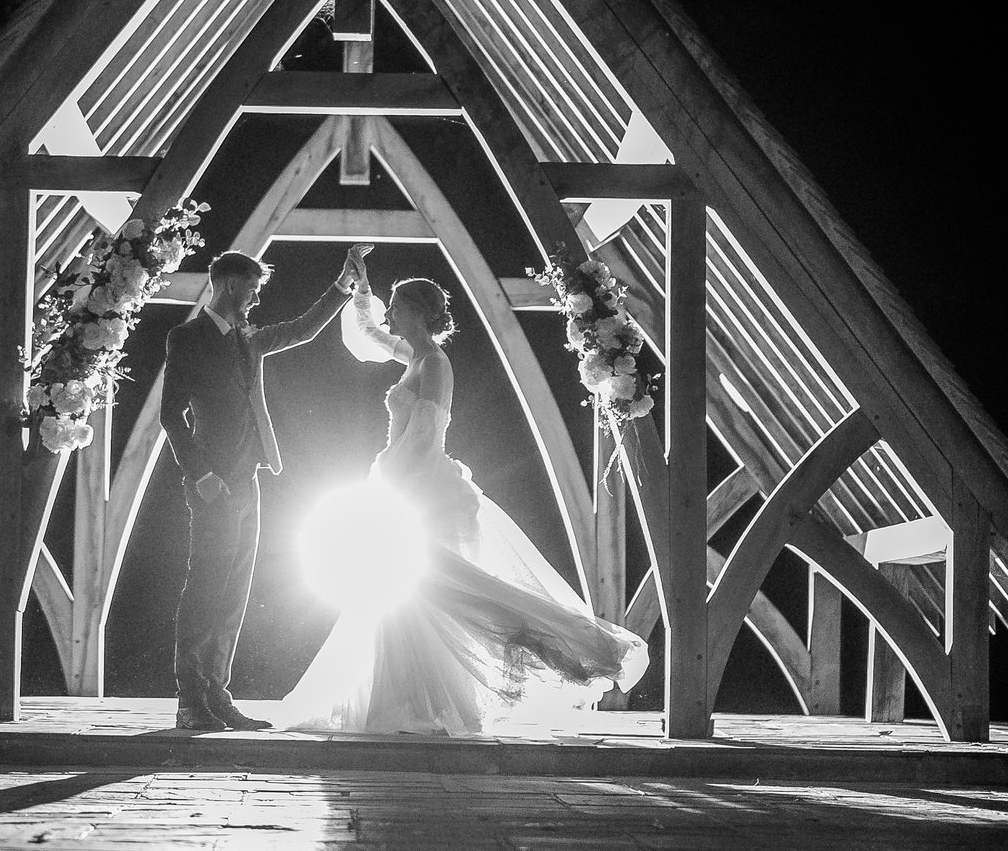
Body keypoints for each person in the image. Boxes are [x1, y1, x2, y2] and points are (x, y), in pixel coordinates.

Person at [280, 277, 648, 735]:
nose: (388, 314)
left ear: (416, 312)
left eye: (393, 305)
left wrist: (388, 482)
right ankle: (407, 704)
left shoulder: (435, 363)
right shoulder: (413, 356)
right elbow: (371, 336)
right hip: (402, 482)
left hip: (422, 490)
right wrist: (359, 289)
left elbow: (424, 436)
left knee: (442, 588)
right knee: (405, 597)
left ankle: (578, 646)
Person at [160, 242, 371, 731]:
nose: (256, 298)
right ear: (231, 285)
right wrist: (203, 477)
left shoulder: (247, 339)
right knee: (206, 588)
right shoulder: (187, 338)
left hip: (248, 479)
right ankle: (191, 700)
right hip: (214, 483)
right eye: (253, 289)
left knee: (234, 592)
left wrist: (342, 286)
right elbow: (171, 415)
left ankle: (219, 694)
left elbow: (303, 329)